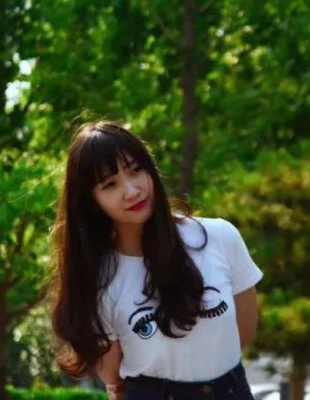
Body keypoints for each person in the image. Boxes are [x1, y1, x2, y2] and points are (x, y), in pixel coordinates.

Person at [51, 121, 263, 400]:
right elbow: (113, 376)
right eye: (110, 184)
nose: (131, 190)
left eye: (135, 170)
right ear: (91, 202)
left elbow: (244, 331)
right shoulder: (99, 281)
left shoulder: (220, 237)